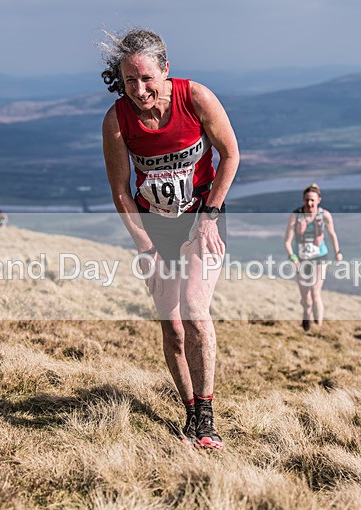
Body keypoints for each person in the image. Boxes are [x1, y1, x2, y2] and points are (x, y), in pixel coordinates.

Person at [100, 28, 239, 449]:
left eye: (147, 78)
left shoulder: (196, 98)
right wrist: (144, 246)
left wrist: (210, 216)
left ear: (165, 69)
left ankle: (208, 419)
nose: (140, 89)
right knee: (173, 327)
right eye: (130, 80)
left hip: (201, 218)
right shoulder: (117, 120)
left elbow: (230, 154)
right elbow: (121, 192)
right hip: (155, 227)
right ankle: (191, 412)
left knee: (195, 308)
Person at [283, 183, 343, 331]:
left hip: (319, 257)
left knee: (316, 292)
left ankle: (318, 327)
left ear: (319, 200)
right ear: (303, 200)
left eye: (312, 200)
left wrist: (337, 252)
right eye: (307, 200)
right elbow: (287, 242)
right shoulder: (295, 216)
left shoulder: (325, 215)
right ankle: (306, 313)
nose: (309, 203)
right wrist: (293, 258)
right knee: (306, 297)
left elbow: (332, 234)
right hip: (301, 259)